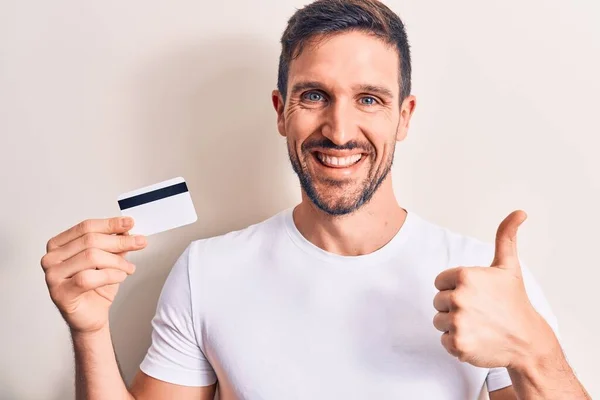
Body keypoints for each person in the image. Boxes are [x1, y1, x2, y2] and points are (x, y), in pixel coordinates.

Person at [41, 0, 591, 399]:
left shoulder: (487, 284)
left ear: (404, 117)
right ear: (281, 110)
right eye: (314, 96)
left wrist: (533, 350)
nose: (339, 128)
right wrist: (89, 331)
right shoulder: (208, 271)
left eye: (370, 99)